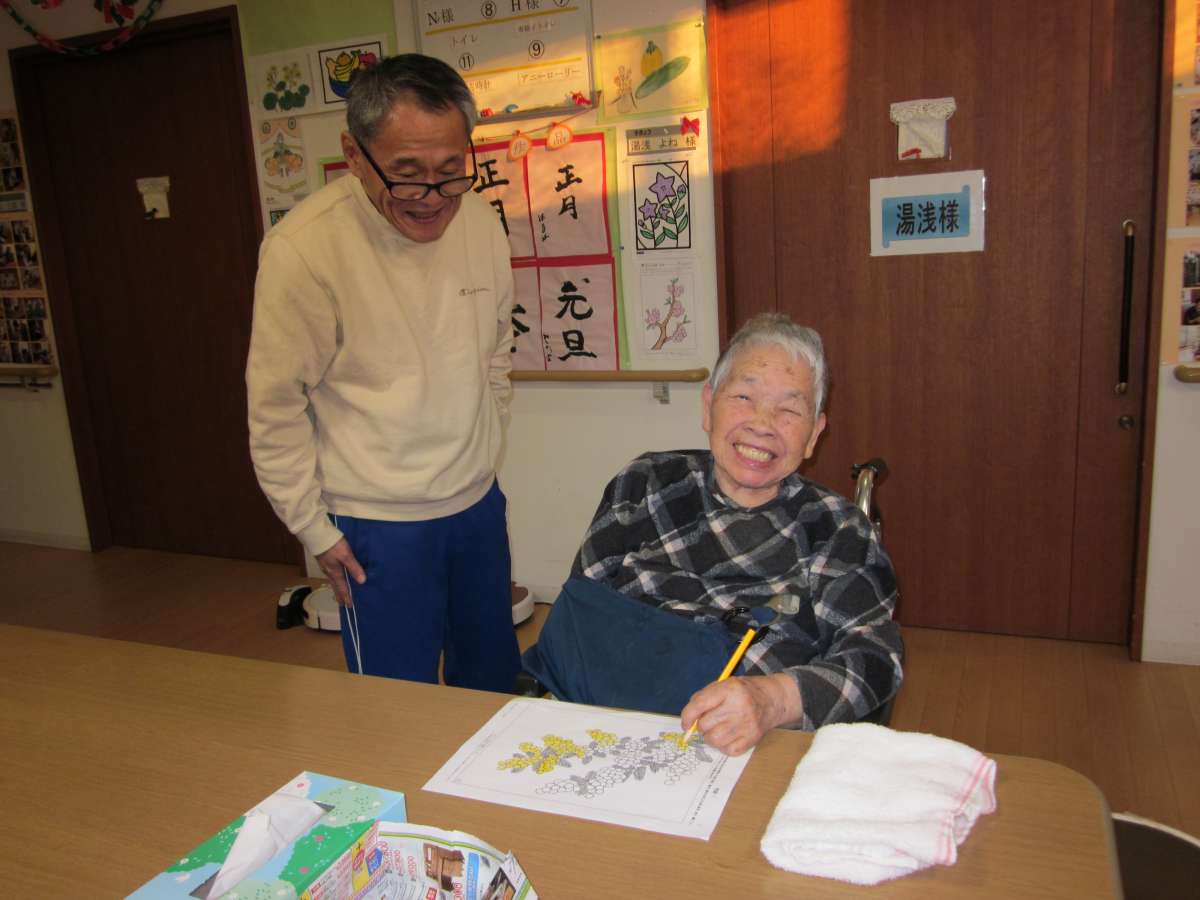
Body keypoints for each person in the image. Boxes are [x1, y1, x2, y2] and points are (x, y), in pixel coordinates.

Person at [246, 54, 520, 692]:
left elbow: (495, 352)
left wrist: (483, 451)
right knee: (394, 704)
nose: (433, 199)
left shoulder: (480, 222)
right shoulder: (304, 250)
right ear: (354, 154)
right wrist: (312, 528)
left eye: (450, 173)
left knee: (493, 684)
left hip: (476, 505)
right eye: (408, 176)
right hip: (375, 523)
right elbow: (276, 406)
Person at [524, 313, 903, 755]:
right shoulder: (643, 484)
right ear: (708, 406)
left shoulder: (838, 530)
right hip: (598, 729)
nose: (762, 423)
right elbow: (581, 613)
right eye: (744, 396)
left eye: (789, 409)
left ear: (814, 434)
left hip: (744, 750)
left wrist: (773, 700)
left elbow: (877, 660)